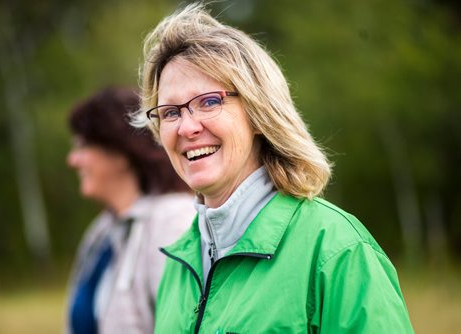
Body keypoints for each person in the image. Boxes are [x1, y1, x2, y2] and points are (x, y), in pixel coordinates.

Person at [131, 3, 414, 333]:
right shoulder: (179, 265)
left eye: (209, 102)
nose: (187, 127)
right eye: (170, 112)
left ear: (257, 113)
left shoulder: (337, 250)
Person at [65, 87, 195, 334]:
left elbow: (183, 325)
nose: (73, 160)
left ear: (121, 153)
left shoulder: (172, 221)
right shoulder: (101, 231)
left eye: (83, 146)